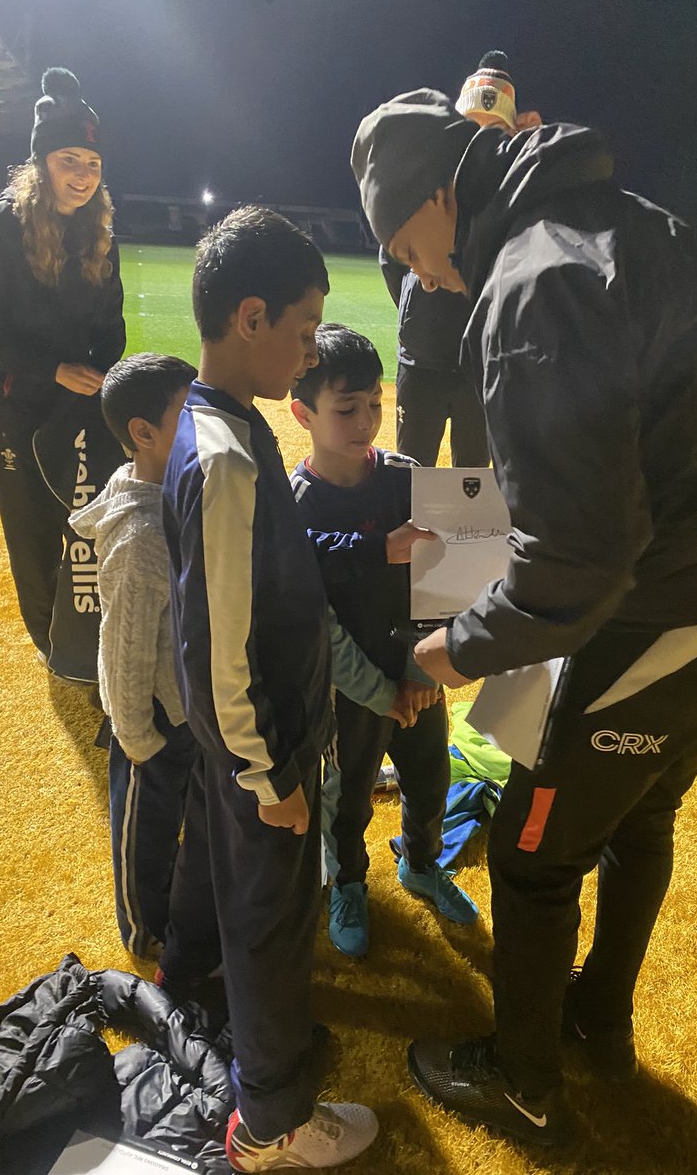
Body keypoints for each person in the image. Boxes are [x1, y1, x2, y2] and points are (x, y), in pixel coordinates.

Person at [351, 90, 697, 1145]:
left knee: (531, 851)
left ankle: (521, 1079)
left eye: (405, 243)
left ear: (440, 192)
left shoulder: (530, 285)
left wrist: (453, 647)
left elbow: (578, 567)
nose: (413, 271)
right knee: (638, 813)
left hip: (682, 605)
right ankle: (599, 1025)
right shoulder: (627, 221)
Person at [158, 208, 378, 1172]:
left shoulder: (222, 422)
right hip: (264, 750)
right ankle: (275, 1123)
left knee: (228, 901)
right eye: (300, 331)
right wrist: (267, 774)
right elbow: (221, 649)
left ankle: (197, 990)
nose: (308, 351)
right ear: (250, 318)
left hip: (247, 745)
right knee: (274, 923)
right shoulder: (229, 460)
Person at [289, 323, 479, 959]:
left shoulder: (407, 479)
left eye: (375, 402)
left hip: (416, 676)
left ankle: (421, 864)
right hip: (350, 690)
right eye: (346, 408)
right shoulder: (296, 502)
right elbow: (304, 592)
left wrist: (424, 675)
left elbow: (449, 583)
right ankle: (346, 881)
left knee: (430, 779)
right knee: (345, 797)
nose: (367, 420)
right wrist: (378, 690)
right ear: (302, 412)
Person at [0, 67, 125, 672]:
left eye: (93, 165)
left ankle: (89, 640)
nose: (82, 176)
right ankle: (56, 650)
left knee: (81, 520)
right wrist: (52, 368)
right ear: (41, 162)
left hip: (75, 406)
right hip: (10, 409)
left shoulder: (99, 231)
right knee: (31, 533)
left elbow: (112, 321)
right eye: (68, 160)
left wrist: (102, 373)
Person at [70, 353, 196, 959]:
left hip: (185, 703)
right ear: (142, 434)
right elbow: (122, 653)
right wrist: (137, 739)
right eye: (187, 411)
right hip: (151, 720)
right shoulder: (140, 541)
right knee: (144, 828)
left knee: (181, 817)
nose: (202, 420)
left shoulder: (165, 481)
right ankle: (143, 927)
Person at [379, 51, 541, 467]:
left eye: (493, 131)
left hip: (480, 366)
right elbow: (391, 254)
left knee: (472, 479)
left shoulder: (516, 189)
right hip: (423, 361)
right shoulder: (426, 181)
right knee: (411, 475)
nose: (479, 141)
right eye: (472, 129)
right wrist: (417, 307)